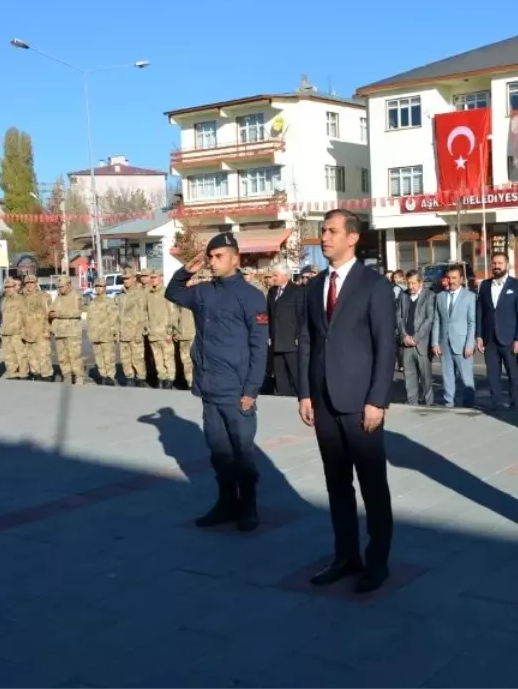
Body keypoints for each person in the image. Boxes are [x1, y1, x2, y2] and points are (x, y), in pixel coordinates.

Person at [297, 209, 396, 594]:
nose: (324, 238)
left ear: (352, 238)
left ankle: (378, 561)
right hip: (323, 402)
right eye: (323, 231)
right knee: (337, 485)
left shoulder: (373, 285)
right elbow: (308, 341)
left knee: (372, 485)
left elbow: (385, 346)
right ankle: (345, 555)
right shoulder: (315, 285)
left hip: (360, 404)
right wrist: (305, 392)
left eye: (332, 232)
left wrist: (377, 400)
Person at [167, 233, 269, 531]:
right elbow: (172, 292)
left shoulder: (251, 297)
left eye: (218, 256)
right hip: (209, 388)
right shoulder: (202, 292)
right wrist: (187, 270)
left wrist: (251, 390)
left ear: (235, 258)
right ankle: (227, 504)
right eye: (210, 257)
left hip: (237, 391)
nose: (212, 262)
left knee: (243, 453)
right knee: (219, 453)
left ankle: (248, 508)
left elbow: (259, 346)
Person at [476, 252, 518, 410]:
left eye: (500, 263)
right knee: (492, 375)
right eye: (494, 263)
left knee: (513, 375)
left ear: (507, 265)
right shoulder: (484, 285)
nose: (496, 266)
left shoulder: (517, 285)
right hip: (490, 339)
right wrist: (479, 336)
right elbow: (480, 312)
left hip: (510, 338)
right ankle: (496, 404)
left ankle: (515, 405)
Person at [431, 264, 477, 408]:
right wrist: (435, 342)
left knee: (466, 377)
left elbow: (472, 322)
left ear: (461, 279)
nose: (451, 281)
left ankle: (468, 405)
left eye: (454, 278)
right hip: (445, 342)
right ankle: (448, 402)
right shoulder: (439, 296)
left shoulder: (469, 296)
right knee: (448, 376)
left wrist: (470, 344)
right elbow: (437, 320)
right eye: (449, 278)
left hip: (463, 344)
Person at [397, 269, 435, 406]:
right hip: (406, 343)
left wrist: (416, 338)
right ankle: (412, 404)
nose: (410, 286)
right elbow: (399, 317)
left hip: (421, 344)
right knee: (409, 377)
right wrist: (404, 336)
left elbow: (429, 319)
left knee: (426, 378)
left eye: (413, 283)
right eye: (408, 283)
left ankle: (429, 404)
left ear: (421, 282)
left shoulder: (429, 296)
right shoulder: (403, 296)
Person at [266, 265, 305, 396]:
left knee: (295, 373)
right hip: (276, 340)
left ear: (285, 276)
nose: (273, 278)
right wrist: (268, 334)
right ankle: (284, 396)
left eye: (275, 275)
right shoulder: (272, 292)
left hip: (291, 341)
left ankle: (301, 397)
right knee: (279, 374)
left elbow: (301, 316)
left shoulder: (297, 291)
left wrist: (299, 336)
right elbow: (269, 315)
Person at [48, 276, 86, 384]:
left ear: (69, 285)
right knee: (62, 357)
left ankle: (79, 377)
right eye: (58, 287)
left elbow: (76, 312)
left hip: (72, 332)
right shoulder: (58, 297)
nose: (60, 289)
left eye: (62, 286)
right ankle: (67, 376)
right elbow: (52, 309)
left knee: (74, 357)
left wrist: (58, 314)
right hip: (59, 332)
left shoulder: (76, 296)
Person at [117, 269, 148, 388]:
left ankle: (141, 378)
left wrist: (139, 332)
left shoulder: (139, 294)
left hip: (135, 333)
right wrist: (117, 331)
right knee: (125, 359)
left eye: (128, 278)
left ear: (134, 278)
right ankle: (129, 377)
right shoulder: (122, 295)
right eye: (124, 279)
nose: (125, 281)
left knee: (137, 358)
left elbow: (143, 315)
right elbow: (118, 315)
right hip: (124, 333)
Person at [85, 278, 119, 385]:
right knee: (99, 358)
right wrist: (90, 332)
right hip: (95, 335)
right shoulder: (92, 303)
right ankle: (103, 376)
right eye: (97, 286)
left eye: (101, 286)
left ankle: (110, 376)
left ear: (105, 288)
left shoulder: (110, 302)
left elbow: (114, 319)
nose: (99, 289)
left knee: (109, 358)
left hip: (107, 335)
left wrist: (115, 333)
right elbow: (89, 319)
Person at [20, 275, 53, 381]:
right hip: (28, 334)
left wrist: (47, 331)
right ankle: (37, 376)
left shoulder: (43, 296)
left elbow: (48, 314)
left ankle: (47, 378)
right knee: (32, 360)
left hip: (40, 334)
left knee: (43, 358)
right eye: (27, 283)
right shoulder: (23, 298)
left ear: (36, 283)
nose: (29, 285)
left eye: (32, 282)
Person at [146, 270, 175, 389]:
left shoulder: (167, 293)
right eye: (151, 277)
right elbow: (145, 313)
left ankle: (170, 379)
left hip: (164, 334)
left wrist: (169, 332)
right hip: (153, 334)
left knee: (168, 358)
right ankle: (161, 378)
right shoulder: (149, 294)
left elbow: (172, 313)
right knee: (158, 359)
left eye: (155, 277)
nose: (153, 279)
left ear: (161, 278)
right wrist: (147, 328)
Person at [0, 278, 26, 380]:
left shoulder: (21, 299)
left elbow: (25, 317)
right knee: (8, 356)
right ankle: (12, 374)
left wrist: (24, 331)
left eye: (10, 287)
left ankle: (23, 375)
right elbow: (2, 317)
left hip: (17, 333)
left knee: (21, 355)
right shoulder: (4, 300)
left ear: (15, 287)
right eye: (6, 287)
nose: (8, 289)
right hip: (6, 332)